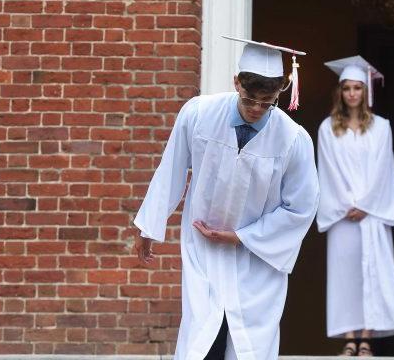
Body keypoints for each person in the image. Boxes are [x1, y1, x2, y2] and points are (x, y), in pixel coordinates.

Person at [132, 36, 320, 360]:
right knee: (203, 342)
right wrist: (149, 227)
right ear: (236, 83)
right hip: (204, 251)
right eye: (250, 100)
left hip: (256, 259)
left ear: (280, 94)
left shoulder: (293, 140)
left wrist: (243, 237)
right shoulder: (199, 114)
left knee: (246, 345)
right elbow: (171, 169)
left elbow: (301, 206)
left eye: (268, 103)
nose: (257, 110)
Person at [316, 56, 394, 357]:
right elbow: (327, 170)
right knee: (346, 277)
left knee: (373, 273)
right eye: (347, 88)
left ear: (366, 91)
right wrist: (347, 205)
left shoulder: (381, 128)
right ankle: (348, 338)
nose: (353, 94)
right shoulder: (328, 129)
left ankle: (366, 339)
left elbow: (384, 170)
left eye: (358, 88)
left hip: (372, 215)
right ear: (340, 92)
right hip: (343, 216)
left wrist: (367, 205)